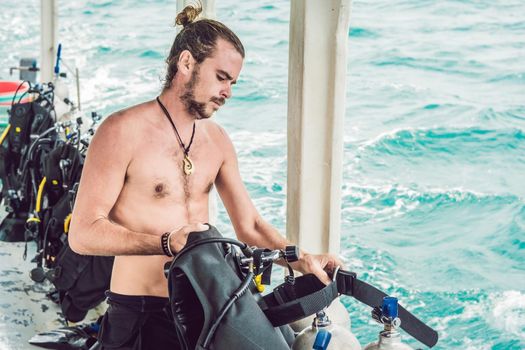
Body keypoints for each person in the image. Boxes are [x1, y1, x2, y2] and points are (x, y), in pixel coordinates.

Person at [69, 4, 344, 350]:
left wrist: (301, 258)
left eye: (233, 82)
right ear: (186, 63)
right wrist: (166, 243)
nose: (228, 91)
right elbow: (83, 233)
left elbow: (251, 226)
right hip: (140, 312)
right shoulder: (121, 131)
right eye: (222, 77)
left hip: (206, 309)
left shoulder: (217, 141)